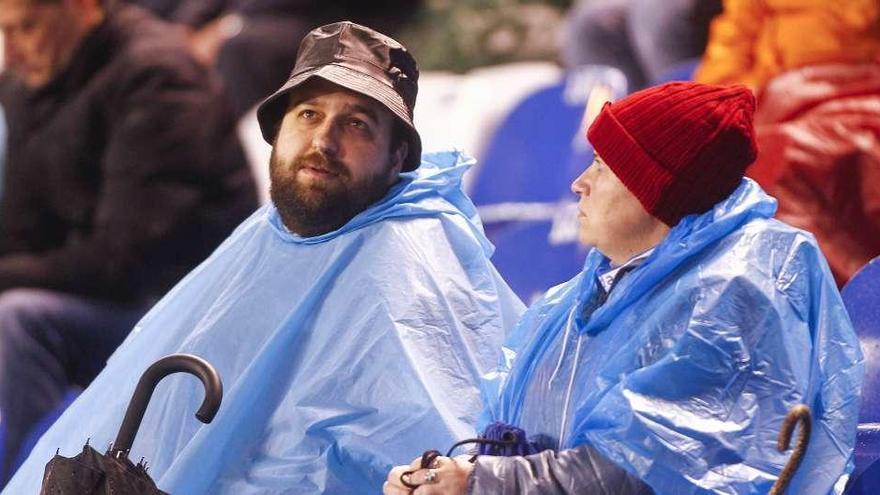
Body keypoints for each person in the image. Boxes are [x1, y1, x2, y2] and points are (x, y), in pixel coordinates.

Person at [4, 21, 524, 494]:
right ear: (276, 132)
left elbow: (416, 448)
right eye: (309, 114)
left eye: (357, 124)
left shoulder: (411, 259)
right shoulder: (272, 231)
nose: (324, 141)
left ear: (397, 159)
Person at [384, 82, 864, 494]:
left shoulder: (731, 291)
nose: (578, 183)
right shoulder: (612, 277)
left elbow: (638, 474)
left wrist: (478, 483)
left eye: (602, 165)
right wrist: (448, 476)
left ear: (653, 187)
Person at [0, 0, 257, 481]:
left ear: (79, 8)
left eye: (25, 29)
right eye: (3, 33)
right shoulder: (31, 78)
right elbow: (20, 230)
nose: (9, 54)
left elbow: (122, 259)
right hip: (107, 292)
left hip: (183, 314)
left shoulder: (158, 76)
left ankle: (22, 481)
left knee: (20, 321)